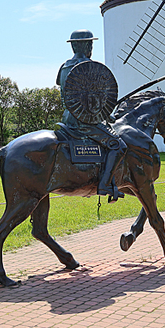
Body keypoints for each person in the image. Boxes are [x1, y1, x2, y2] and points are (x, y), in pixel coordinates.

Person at [56, 30, 125, 201]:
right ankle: (104, 184)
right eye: (91, 44)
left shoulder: (63, 67)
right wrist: (106, 113)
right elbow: (93, 101)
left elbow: (68, 94)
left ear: (73, 45)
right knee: (118, 145)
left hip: (67, 119)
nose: (91, 48)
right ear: (87, 45)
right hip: (85, 122)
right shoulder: (89, 67)